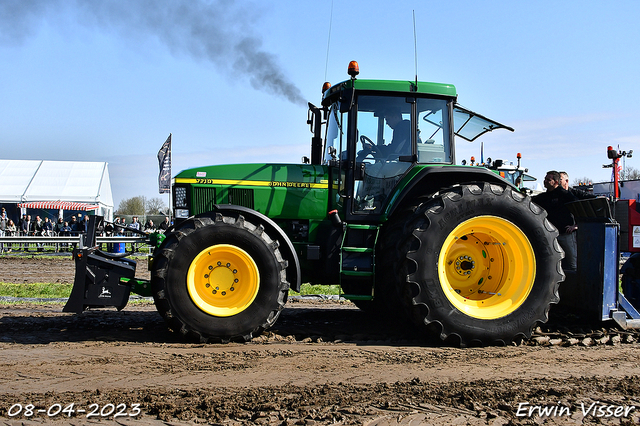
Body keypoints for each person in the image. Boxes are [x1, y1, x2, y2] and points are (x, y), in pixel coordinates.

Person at [533, 170, 578, 271]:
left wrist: (575, 226)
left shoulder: (566, 195)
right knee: (553, 264)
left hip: (566, 235)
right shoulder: (543, 197)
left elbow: (580, 208)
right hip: (550, 237)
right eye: (545, 179)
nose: (545, 181)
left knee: (572, 263)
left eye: (548, 180)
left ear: (556, 182)